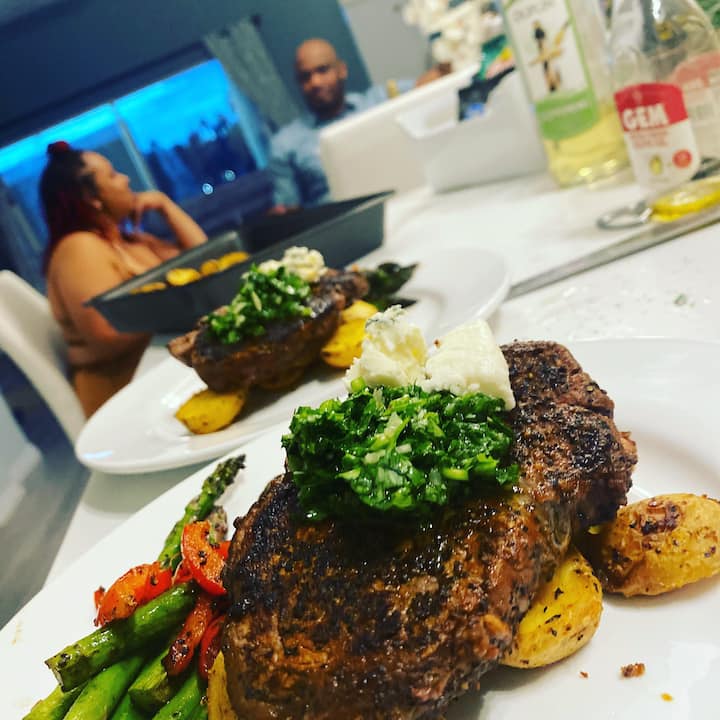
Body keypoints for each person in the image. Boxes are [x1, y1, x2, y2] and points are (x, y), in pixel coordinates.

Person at [39, 141, 208, 417]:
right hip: (125, 392)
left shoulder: (129, 241)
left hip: (165, 370)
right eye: (113, 175)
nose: (126, 179)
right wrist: (185, 303)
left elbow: (204, 261)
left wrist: (165, 205)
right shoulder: (80, 247)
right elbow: (106, 332)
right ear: (90, 196)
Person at [268, 38, 450, 212]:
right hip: (343, 224)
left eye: (322, 70)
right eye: (305, 77)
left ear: (342, 70)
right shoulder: (285, 144)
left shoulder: (379, 100)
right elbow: (289, 211)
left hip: (407, 201)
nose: (315, 82)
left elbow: (433, 80)